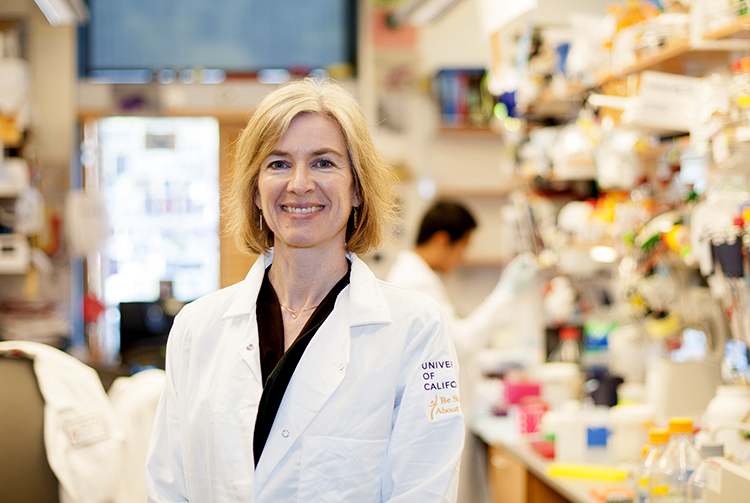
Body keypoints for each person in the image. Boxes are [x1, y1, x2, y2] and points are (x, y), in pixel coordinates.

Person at [145, 78, 464, 502]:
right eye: (278, 163)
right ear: (256, 192)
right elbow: (168, 488)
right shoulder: (197, 328)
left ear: (357, 189)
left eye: (323, 163)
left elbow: (422, 491)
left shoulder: (415, 330)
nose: (299, 184)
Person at [386, 200, 537, 503]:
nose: (462, 257)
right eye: (462, 247)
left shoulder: (417, 276)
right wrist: (505, 292)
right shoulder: (414, 282)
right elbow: (460, 343)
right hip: (429, 424)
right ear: (442, 240)